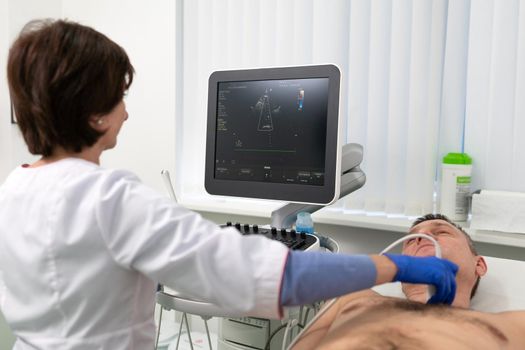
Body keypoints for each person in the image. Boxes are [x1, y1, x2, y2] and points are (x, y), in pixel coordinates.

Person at [0, 19, 457, 349]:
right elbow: (280, 277)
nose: (126, 111)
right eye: (118, 98)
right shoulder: (110, 200)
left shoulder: (15, 188)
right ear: (94, 114)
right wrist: (395, 267)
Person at [291, 214, 525, 349]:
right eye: (411, 239)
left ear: (479, 265)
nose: (423, 238)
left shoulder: (515, 324)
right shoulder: (350, 298)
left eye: (442, 232)